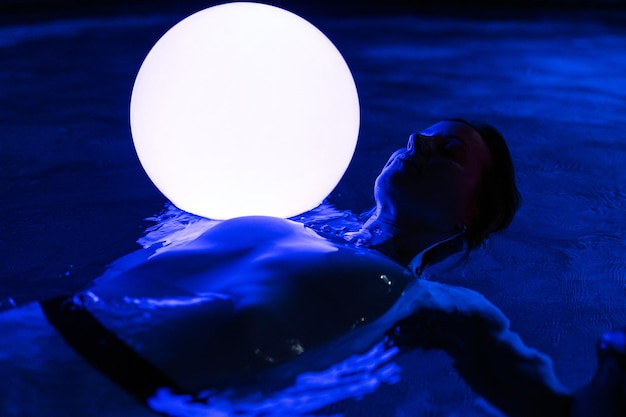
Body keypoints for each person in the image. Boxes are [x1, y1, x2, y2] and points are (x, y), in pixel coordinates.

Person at [4, 120, 625, 417]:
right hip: (28, 332)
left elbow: (556, 411)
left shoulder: (431, 303)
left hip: (93, 397)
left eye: (451, 150)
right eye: (422, 135)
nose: (421, 143)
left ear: (471, 213)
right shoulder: (292, 213)